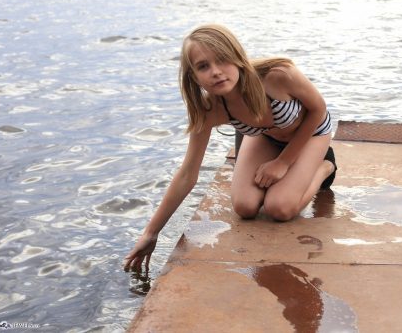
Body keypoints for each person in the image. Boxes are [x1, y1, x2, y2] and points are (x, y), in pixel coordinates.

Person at [123, 24, 336, 271]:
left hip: (311, 132)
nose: (216, 72)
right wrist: (151, 233)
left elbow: (318, 109)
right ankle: (290, 169)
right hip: (266, 136)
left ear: (237, 57)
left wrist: (283, 162)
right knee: (245, 206)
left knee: (280, 208)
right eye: (203, 66)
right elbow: (187, 174)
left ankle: (324, 167)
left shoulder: (277, 76)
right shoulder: (209, 110)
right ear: (194, 76)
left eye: (222, 60)